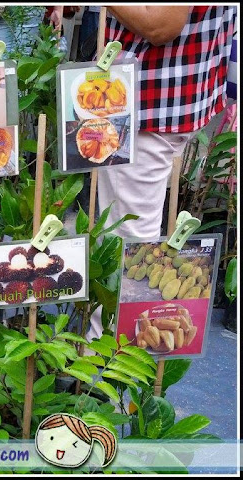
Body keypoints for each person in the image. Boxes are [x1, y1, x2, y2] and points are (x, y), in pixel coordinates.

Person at [86, 6, 237, 341]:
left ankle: (108, 356)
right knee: (133, 240)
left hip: (149, 100)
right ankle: (119, 348)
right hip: (174, 93)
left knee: (128, 245)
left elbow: (161, 25)